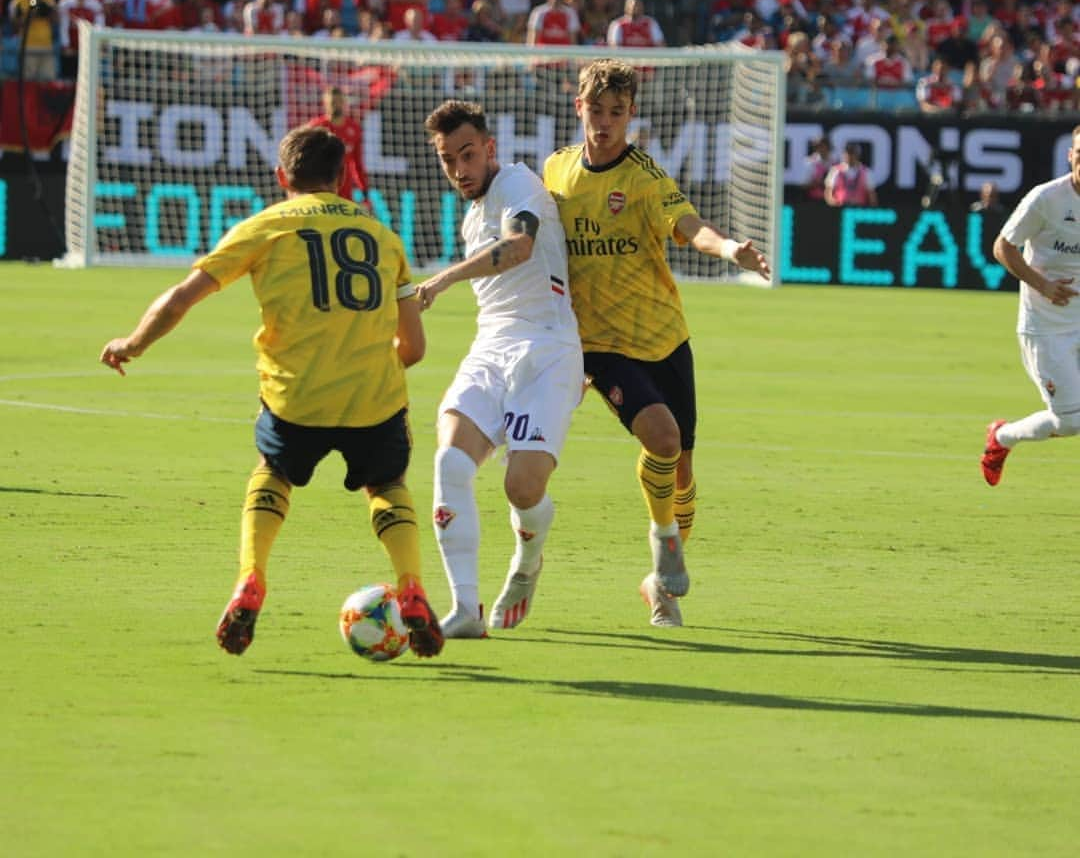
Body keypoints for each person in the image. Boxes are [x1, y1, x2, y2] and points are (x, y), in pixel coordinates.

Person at [99, 126, 443, 659]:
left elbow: (182, 297)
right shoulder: (383, 236)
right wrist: (366, 365)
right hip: (374, 399)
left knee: (274, 473)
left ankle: (251, 579)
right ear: (344, 178)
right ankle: (413, 585)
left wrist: (132, 342)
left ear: (283, 177)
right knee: (387, 483)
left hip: (295, 397)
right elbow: (414, 347)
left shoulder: (264, 227)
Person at [542, 60, 770, 627]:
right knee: (663, 439)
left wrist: (728, 250)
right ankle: (664, 541)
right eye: (596, 111)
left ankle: (659, 584)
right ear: (580, 108)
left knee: (683, 472)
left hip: (665, 337)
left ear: (630, 116)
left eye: (616, 113)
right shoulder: (555, 173)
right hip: (601, 345)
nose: (604, 122)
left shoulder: (644, 177)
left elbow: (692, 228)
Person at [417, 100, 584, 637]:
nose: (459, 169)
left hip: (547, 347)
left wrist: (445, 278)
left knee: (522, 488)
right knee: (449, 462)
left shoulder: (517, 184)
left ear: (490, 148)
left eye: (467, 154)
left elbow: (518, 248)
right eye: (447, 160)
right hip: (490, 348)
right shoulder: (471, 214)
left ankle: (530, 551)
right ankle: (466, 610)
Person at [981, 126, 1080, 487]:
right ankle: (1002, 438)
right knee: (1070, 422)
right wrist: (1044, 285)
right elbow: (1002, 247)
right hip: (1046, 326)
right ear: (1070, 156)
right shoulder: (1046, 199)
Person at [305, 86, 370, 208]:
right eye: (332, 103)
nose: (336, 105)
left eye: (339, 102)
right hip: (319, 189)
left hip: (344, 190)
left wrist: (364, 190)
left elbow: (357, 164)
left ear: (345, 103)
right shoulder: (316, 127)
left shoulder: (354, 129)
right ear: (325, 104)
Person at [824, 142, 878, 207]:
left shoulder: (866, 172)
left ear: (857, 155)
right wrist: (833, 203)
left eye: (852, 153)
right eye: (847, 153)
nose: (849, 155)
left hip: (858, 209)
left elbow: (871, 194)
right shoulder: (835, 170)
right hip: (839, 208)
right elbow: (828, 191)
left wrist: (873, 207)